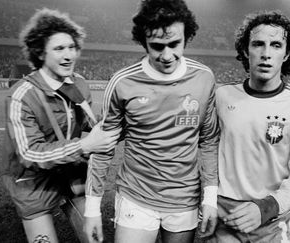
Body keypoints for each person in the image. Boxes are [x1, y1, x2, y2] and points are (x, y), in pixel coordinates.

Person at [83, 0, 220, 242]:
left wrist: (210, 199)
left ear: (187, 36)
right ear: (143, 41)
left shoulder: (204, 78)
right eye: (157, 46)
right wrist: (92, 209)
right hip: (135, 196)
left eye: (175, 44)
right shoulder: (122, 82)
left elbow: (208, 140)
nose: (167, 56)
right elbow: (103, 147)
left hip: (184, 199)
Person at [1, 8, 120, 243]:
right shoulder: (22, 95)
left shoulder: (80, 84)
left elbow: (87, 123)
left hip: (71, 175)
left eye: (72, 47)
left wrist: (116, 122)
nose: (69, 55)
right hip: (33, 182)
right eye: (59, 48)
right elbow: (29, 153)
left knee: (95, 240)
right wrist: (85, 145)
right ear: (41, 53)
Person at [209, 10, 290, 242]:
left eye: (276, 45)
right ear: (244, 50)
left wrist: (265, 208)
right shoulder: (222, 96)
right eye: (258, 44)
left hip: (271, 220)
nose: (266, 54)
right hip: (224, 218)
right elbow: (204, 148)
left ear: (287, 53)